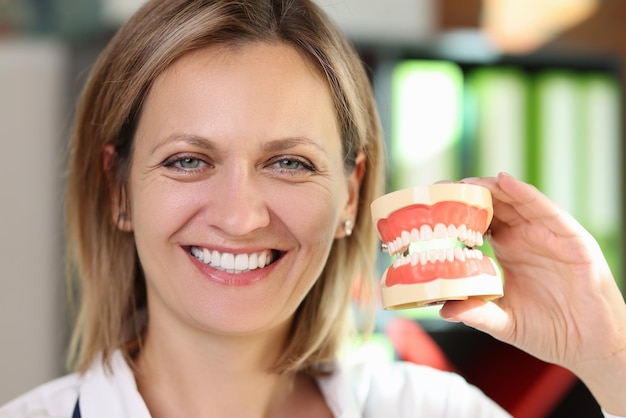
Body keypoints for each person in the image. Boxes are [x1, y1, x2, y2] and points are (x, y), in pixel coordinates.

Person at [2, 0, 625, 417]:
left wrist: (608, 354)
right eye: (188, 160)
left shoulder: (431, 411)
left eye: (289, 163)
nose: (241, 216)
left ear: (352, 193)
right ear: (118, 190)